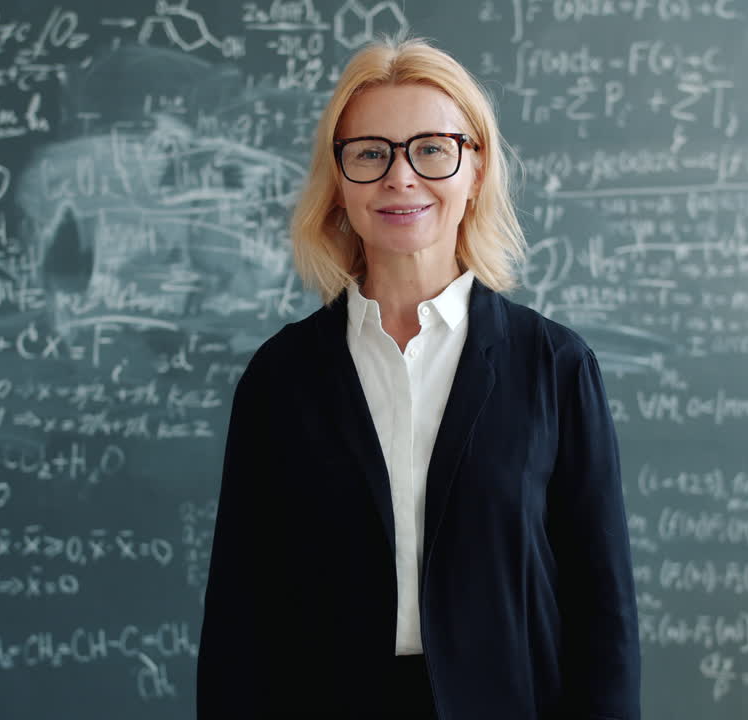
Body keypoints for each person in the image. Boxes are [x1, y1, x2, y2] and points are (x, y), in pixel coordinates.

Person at [197, 36, 640, 719]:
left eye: (432, 149)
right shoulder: (281, 379)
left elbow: (602, 609)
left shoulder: (555, 366)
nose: (401, 178)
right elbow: (240, 617)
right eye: (371, 153)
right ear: (339, 182)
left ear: (475, 166)